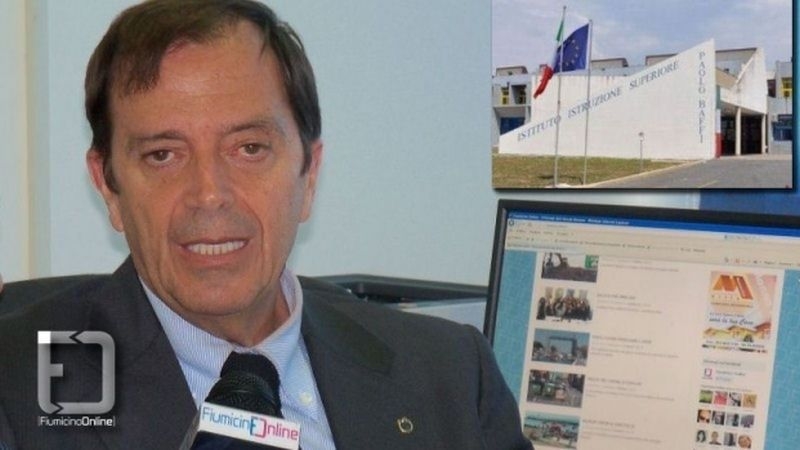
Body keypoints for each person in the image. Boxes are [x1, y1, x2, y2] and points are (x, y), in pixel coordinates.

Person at [0, 1, 531, 449]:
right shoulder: (15, 388)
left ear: (309, 173)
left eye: (249, 148)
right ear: (109, 186)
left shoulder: (450, 374)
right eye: (163, 155)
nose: (209, 194)